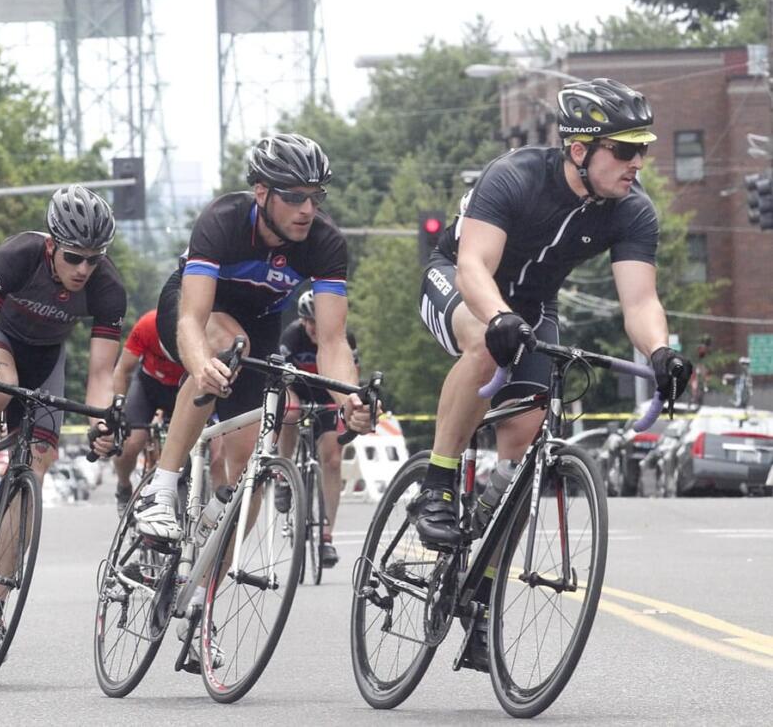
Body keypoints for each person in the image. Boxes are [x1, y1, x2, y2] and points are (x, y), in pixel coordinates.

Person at [411, 77, 694, 670]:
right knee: (486, 347)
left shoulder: (632, 210)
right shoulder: (514, 177)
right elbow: (472, 264)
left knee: (522, 455)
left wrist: (661, 354)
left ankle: (481, 593)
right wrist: (497, 317)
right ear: (578, 150)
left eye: (642, 148)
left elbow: (639, 302)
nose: (636, 162)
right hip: (462, 287)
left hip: (535, 308)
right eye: (623, 149)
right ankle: (437, 484)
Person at [133, 134, 374, 549]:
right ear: (261, 192)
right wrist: (200, 364)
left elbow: (333, 342)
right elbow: (192, 318)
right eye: (295, 197)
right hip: (196, 308)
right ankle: (162, 485)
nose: (307, 210)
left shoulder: (326, 242)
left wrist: (348, 398)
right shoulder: (224, 219)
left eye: (316, 197)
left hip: (260, 322)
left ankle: (199, 597)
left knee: (249, 468)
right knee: (227, 347)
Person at [0, 185, 125, 663]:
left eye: (93, 260)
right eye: (74, 257)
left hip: (48, 359)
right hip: (1, 341)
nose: (83, 270)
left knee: (34, 470)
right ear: (52, 245)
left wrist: (100, 423)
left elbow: (100, 374)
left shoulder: (108, 287)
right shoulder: (18, 254)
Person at [275, 289, 359, 569]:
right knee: (290, 411)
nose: (313, 328)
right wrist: (292, 400)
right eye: (308, 322)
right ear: (301, 321)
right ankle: (283, 474)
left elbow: (350, 379)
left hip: (327, 398)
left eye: (317, 321)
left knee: (333, 460)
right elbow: (282, 381)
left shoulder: (344, 338)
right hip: (296, 391)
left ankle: (326, 536)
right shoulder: (292, 337)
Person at [110, 308, 184, 515]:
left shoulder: (204, 326)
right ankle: (124, 486)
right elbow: (122, 370)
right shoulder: (147, 324)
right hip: (148, 386)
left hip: (183, 389)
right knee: (130, 444)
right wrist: (119, 408)